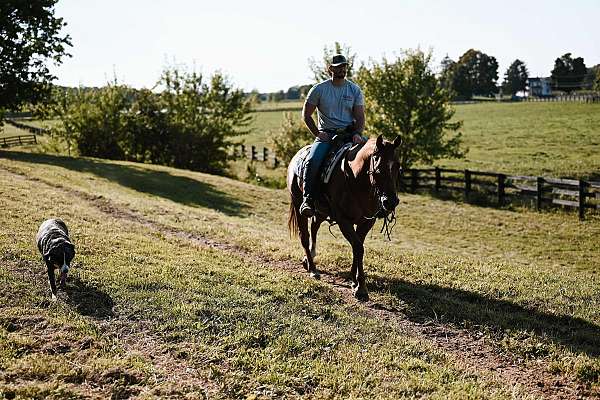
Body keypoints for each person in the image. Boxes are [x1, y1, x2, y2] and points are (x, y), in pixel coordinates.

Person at [300, 54, 366, 217]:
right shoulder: (319, 89)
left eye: (344, 67)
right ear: (331, 69)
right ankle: (307, 200)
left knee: (374, 157)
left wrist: (358, 133)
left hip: (350, 134)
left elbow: (360, 116)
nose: (342, 69)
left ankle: (375, 202)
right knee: (313, 160)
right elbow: (306, 115)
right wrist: (318, 134)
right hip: (327, 135)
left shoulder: (354, 90)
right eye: (338, 67)